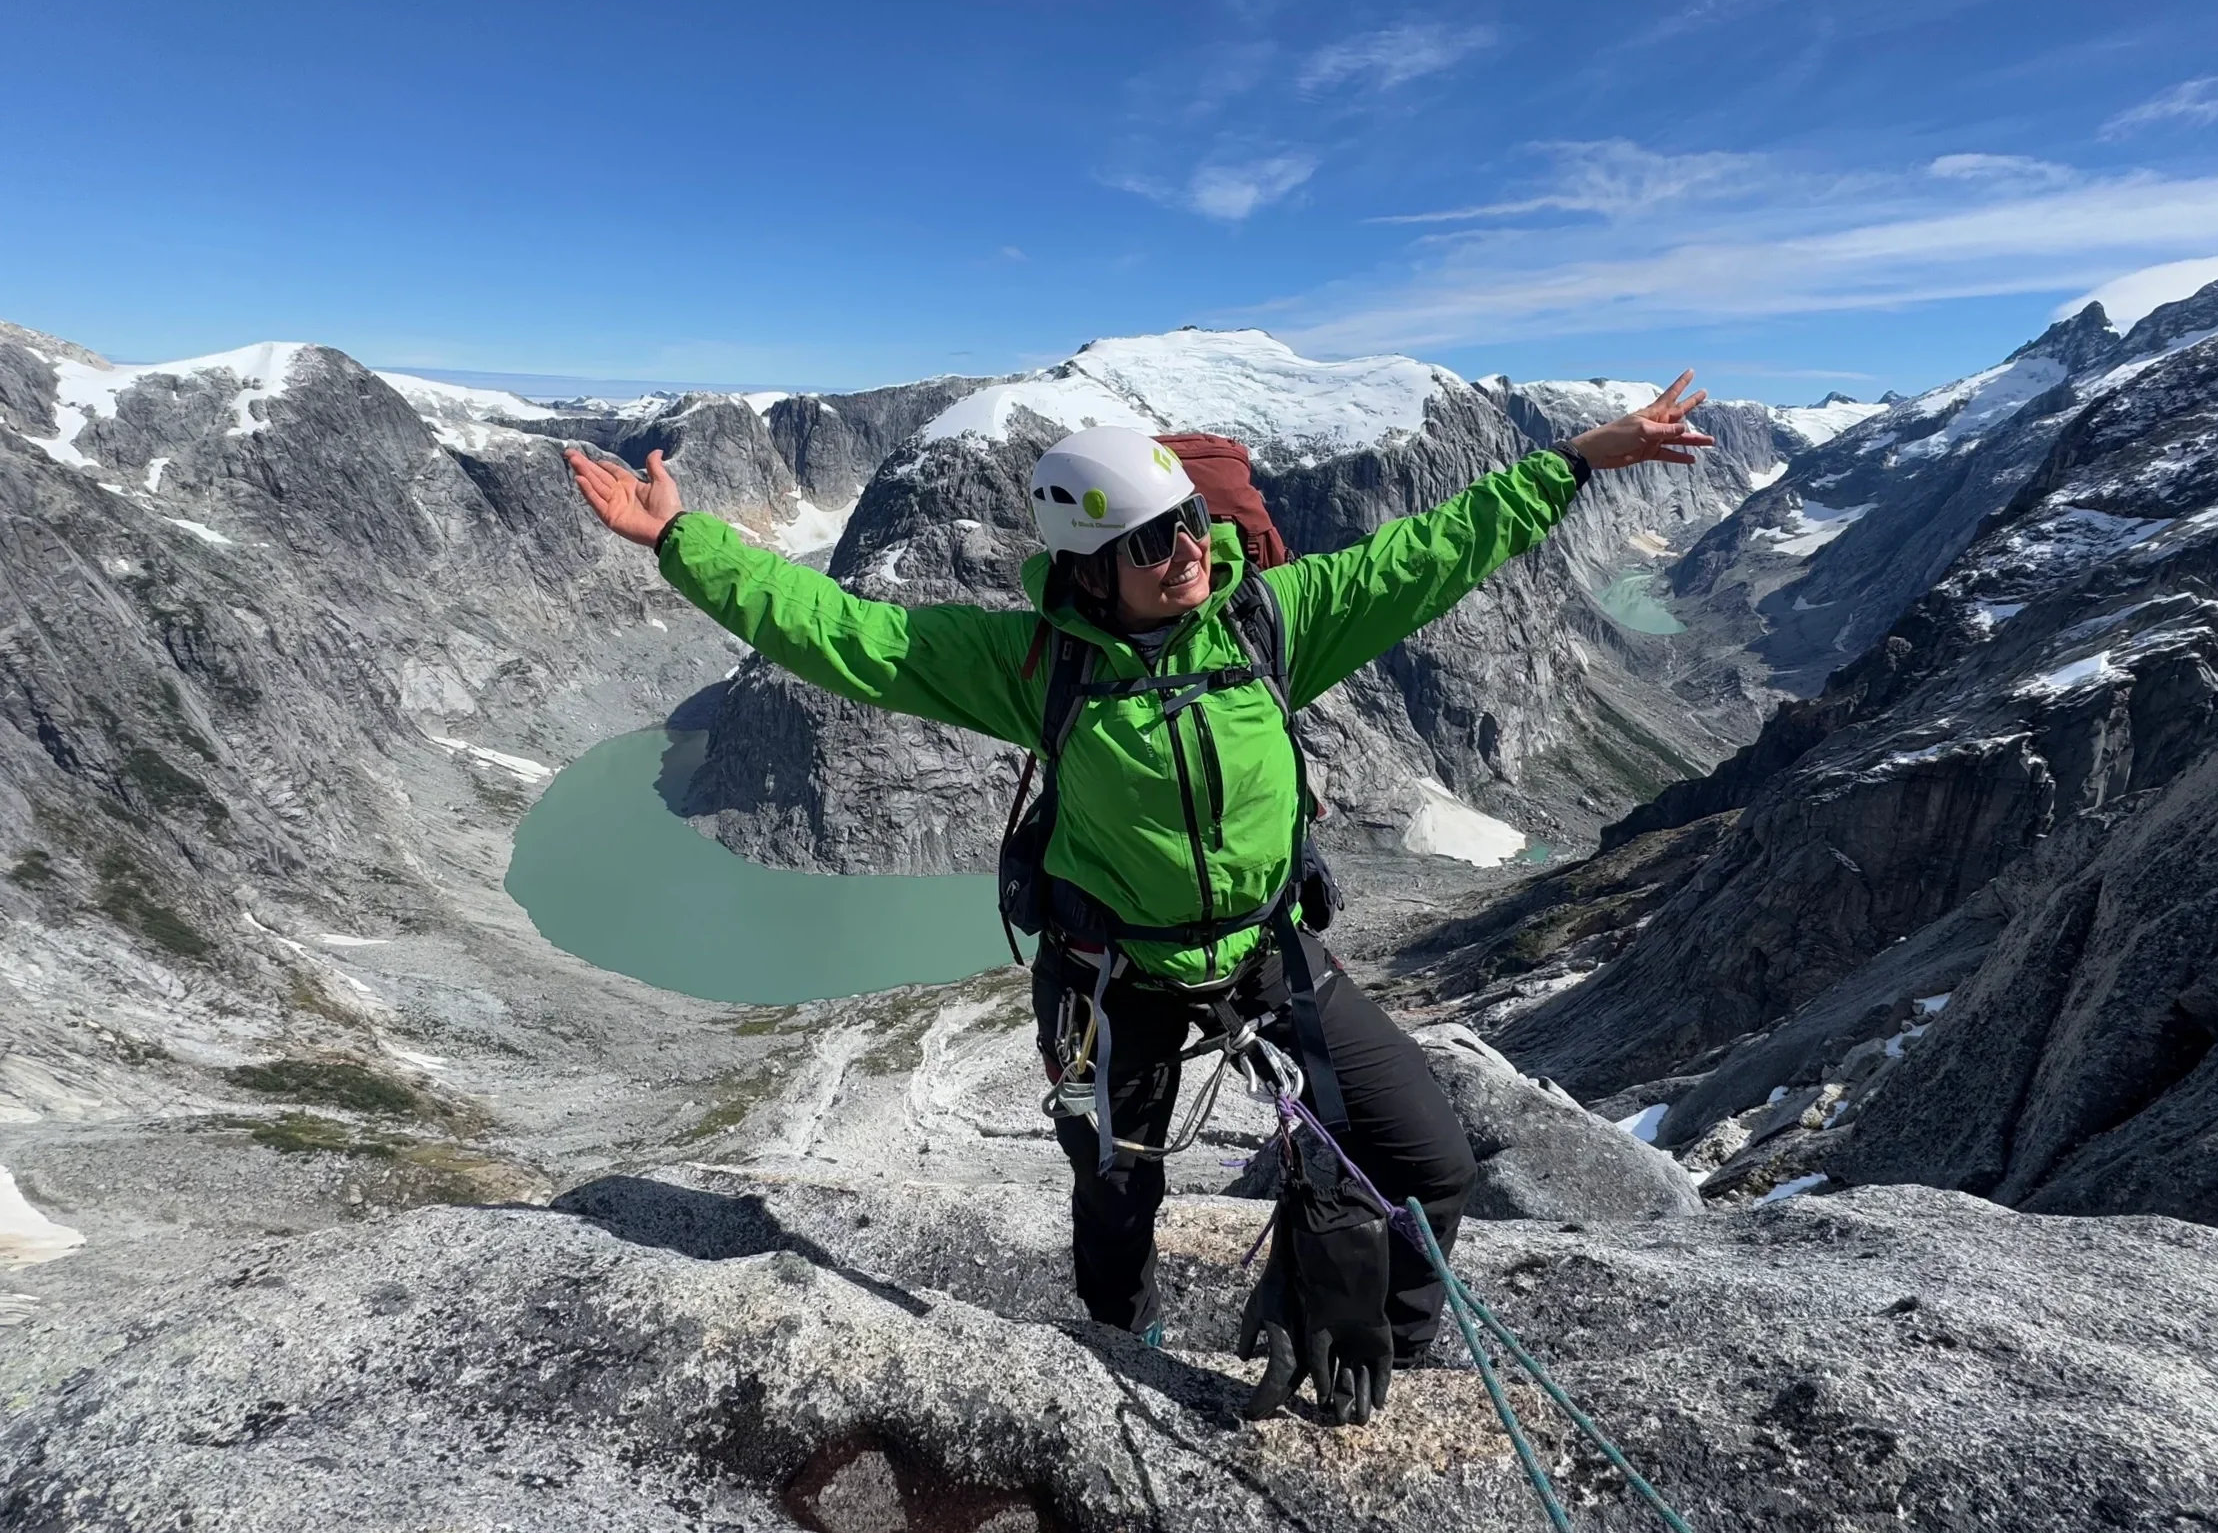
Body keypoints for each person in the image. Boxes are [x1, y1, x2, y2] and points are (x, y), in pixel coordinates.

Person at [564, 373, 1711, 1415]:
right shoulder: (1036, 664)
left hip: (1268, 956)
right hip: (1119, 976)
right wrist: (681, 540)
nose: (1188, 551)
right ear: (1089, 569)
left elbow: (1431, 551)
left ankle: (1375, 1346)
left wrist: (1572, 460)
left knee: (1427, 1159)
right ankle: (1126, 1350)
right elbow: (844, 634)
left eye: (1191, 525)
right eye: (1153, 539)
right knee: (1117, 1196)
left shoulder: (1270, 622)